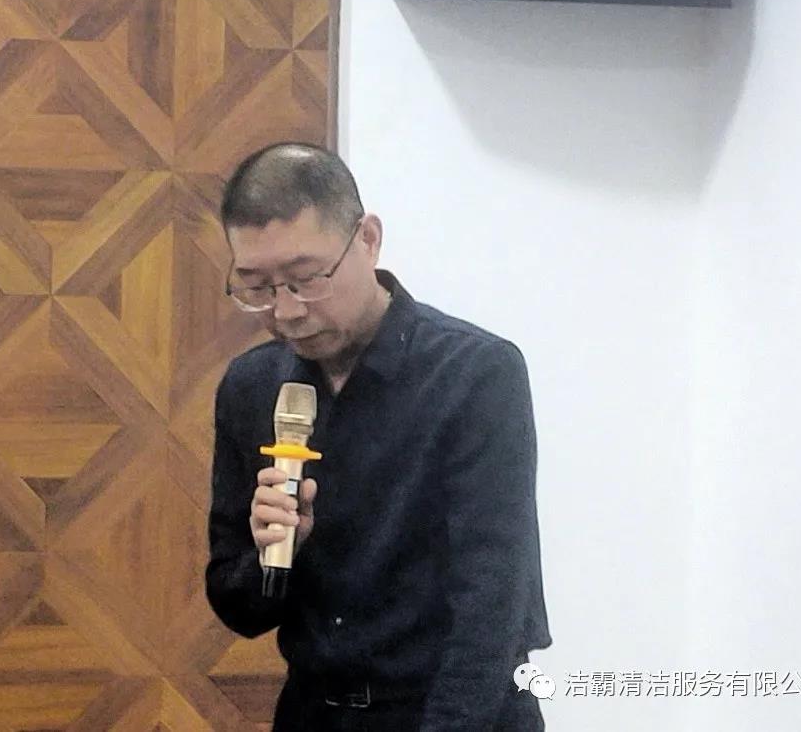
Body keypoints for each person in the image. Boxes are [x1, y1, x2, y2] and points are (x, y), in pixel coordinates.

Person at [205, 143, 552, 731]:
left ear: (367, 239)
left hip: (451, 713)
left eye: (306, 279)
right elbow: (238, 608)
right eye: (257, 287)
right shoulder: (252, 387)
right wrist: (274, 555)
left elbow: (490, 607)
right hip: (314, 714)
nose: (286, 312)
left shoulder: (474, 373)